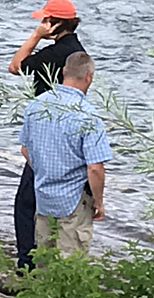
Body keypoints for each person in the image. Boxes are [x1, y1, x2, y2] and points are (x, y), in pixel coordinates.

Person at [0, 0, 85, 295]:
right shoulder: (77, 53)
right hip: (71, 132)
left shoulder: (53, 53)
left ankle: (27, 271)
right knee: (59, 205)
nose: (40, 25)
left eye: (44, 21)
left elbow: (15, 66)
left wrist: (35, 37)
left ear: (55, 24)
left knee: (26, 203)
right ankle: (57, 267)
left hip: (46, 132)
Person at [19, 51, 111, 255]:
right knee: (70, 261)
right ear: (88, 77)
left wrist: (46, 171)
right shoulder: (87, 114)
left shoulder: (37, 104)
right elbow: (95, 167)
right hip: (74, 199)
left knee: (44, 258)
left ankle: (40, 287)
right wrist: (98, 201)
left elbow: (25, 149)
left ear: (63, 72)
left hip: (43, 195)